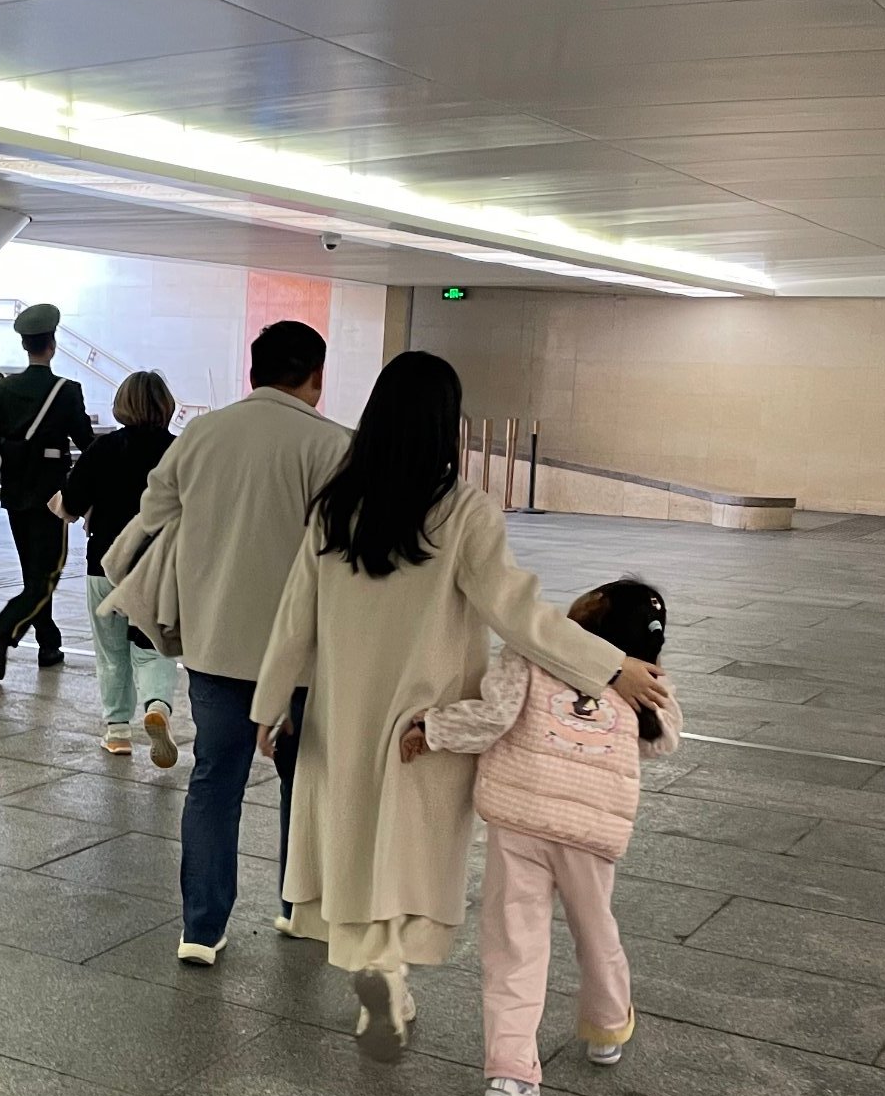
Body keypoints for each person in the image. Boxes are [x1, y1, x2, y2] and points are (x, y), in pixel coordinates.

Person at [251, 352, 667, 1058]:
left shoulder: (336, 507)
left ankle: (374, 969)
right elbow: (520, 615)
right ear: (447, 424)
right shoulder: (464, 511)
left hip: (342, 713)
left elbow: (297, 617)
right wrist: (610, 666)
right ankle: (392, 969)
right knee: (411, 851)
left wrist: (269, 705)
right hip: (429, 722)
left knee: (353, 842)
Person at [402, 577, 680, 1096]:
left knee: (514, 941)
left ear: (586, 611)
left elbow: (492, 718)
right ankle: (607, 1026)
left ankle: (512, 1070)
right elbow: (662, 741)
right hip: (590, 834)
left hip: (520, 822)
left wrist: (431, 726)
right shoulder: (641, 680)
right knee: (596, 931)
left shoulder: (528, 653)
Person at [120, 319, 348, 966]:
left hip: (217, 643)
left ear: (253, 371)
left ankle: (201, 927)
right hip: (303, 656)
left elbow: (155, 513)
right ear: (316, 376)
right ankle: (297, 908)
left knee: (214, 780)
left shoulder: (201, 434)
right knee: (303, 779)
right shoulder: (334, 444)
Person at [0, 302, 93, 678]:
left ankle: (49, 642)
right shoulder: (66, 391)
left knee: (33, 574)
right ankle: (4, 628)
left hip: (15, 492)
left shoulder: (3, 390)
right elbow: (87, 443)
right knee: (47, 574)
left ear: (24, 345)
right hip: (52, 496)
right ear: (52, 345)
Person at [60, 370, 181, 764]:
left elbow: (72, 500)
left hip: (105, 564)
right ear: (166, 405)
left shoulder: (104, 448)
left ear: (122, 405)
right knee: (155, 647)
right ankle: (157, 707)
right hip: (159, 569)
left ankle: (117, 732)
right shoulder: (179, 451)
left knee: (111, 652)